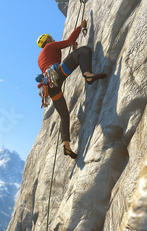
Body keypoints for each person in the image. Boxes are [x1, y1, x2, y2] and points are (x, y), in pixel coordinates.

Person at [37, 20, 106, 159]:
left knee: (64, 115)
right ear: (48, 40)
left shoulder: (40, 58)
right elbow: (69, 40)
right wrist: (80, 27)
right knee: (84, 51)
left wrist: (72, 52)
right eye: (51, 38)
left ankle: (67, 147)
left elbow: (52, 62)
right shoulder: (49, 46)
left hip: (50, 87)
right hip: (57, 74)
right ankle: (87, 75)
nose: (53, 39)